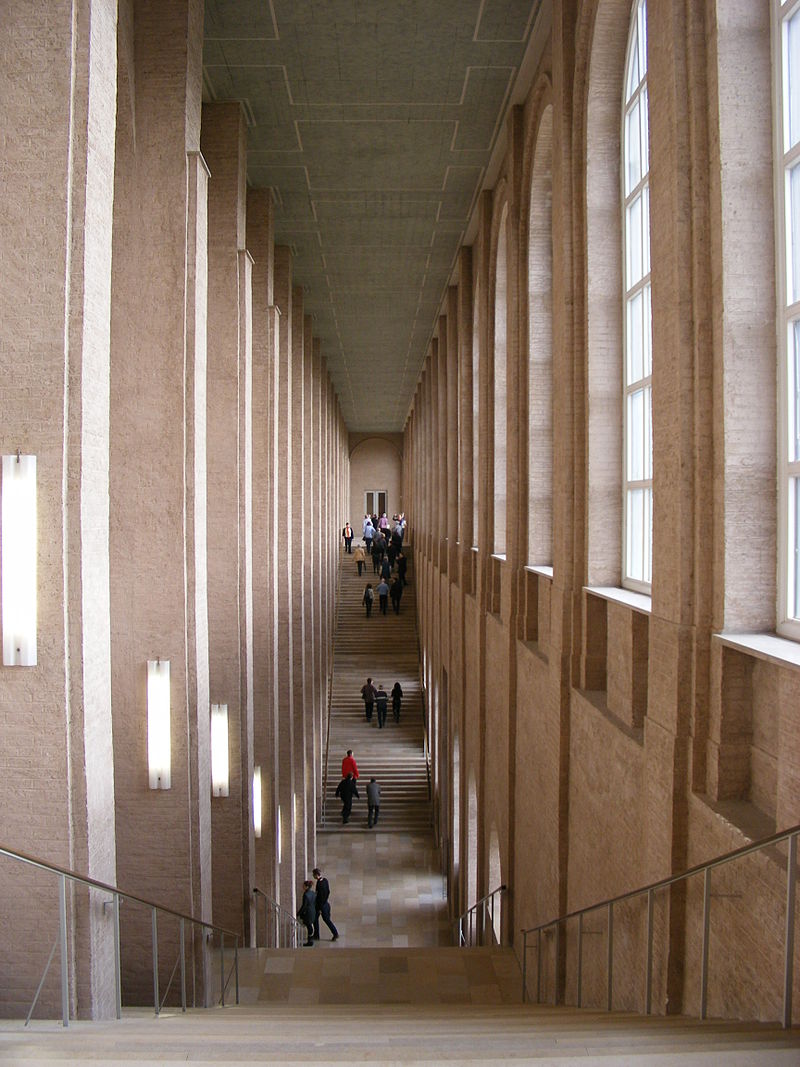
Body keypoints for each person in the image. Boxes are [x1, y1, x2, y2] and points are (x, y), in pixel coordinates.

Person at [312, 866, 339, 941]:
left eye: (314, 875)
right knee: (316, 918)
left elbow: (320, 896)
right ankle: (316, 934)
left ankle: (335, 933)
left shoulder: (319, 884)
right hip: (325, 903)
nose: (313, 877)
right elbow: (328, 892)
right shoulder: (325, 880)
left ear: (316, 875)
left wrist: (320, 907)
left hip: (321, 905)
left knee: (326, 919)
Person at [297, 879, 316, 945]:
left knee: (309, 926)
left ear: (307, 887)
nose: (303, 887)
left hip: (308, 912)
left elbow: (304, 906)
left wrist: (298, 913)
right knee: (310, 925)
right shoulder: (313, 893)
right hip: (313, 910)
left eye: (304, 886)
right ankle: (311, 939)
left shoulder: (306, 895)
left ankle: (310, 941)